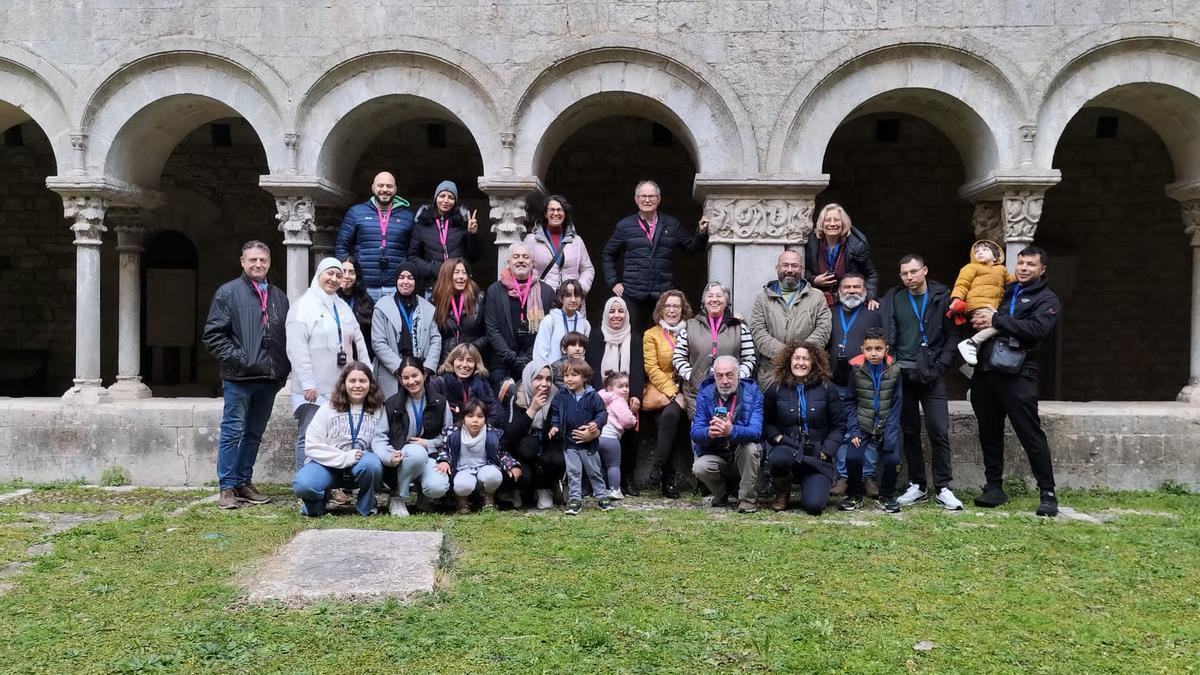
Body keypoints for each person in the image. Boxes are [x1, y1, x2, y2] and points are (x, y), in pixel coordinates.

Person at [969, 247, 1062, 517]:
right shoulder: (1007, 291)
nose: (1023, 268)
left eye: (1030, 264)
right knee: (989, 432)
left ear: (1042, 269)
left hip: (1018, 374)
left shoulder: (1047, 298)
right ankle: (994, 487)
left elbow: (1037, 330)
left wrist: (997, 319)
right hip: (986, 371)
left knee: (1030, 433)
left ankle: (1047, 493)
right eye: (1020, 262)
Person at [202, 241, 290, 510]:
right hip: (239, 377)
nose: (257, 264)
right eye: (252, 260)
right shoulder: (228, 293)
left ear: (269, 262)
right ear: (242, 262)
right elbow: (213, 335)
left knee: (254, 433)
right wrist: (241, 358)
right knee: (232, 432)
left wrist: (281, 367)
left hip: (269, 377)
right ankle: (227, 486)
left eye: (262, 260)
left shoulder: (278, 296)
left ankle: (243, 481)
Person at [879, 254, 963, 511]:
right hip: (902, 374)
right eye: (904, 273)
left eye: (913, 272)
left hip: (931, 374)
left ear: (925, 270)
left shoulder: (942, 297)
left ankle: (944, 487)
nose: (909, 277)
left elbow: (953, 336)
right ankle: (917, 484)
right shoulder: (893, 298)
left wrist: (940, 367)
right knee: (911, 430)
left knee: (938, 430)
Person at [285, 257, 370, 470]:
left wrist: (367, 373)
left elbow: (359, 341)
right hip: (313, 388)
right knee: (310, 436)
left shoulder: (341, 306)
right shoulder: (303, 306)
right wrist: (307, 383)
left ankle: (333, 487)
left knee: (336, 437)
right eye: (329, 273)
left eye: (338, 275)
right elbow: (296, 348)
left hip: (339, 386)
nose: (334, 279)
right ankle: (306, 484)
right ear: (319, 275)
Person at [602, 180, 710, 331]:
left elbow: (691, 248)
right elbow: (608, 254)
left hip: (662, 294)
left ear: (659, 199)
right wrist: (613, 282)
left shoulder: (671, 224)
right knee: (634, 338)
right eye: (643, 196)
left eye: (651, 196)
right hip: (633, 293)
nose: (647, 200)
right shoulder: (624, 226)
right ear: (636, 199)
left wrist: (701, 232)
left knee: (663, 338)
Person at [291, 362, 387, 517]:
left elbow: (382, 441)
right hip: (328, 464)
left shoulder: (378, 409)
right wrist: (344, 457)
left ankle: (367, 505)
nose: (357, 385)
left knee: (372, 464)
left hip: (361, 463)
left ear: (371, 384)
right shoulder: (328, 408)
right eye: (352, 381)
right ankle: (318, 502)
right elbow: (311, 446)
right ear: (343, 383)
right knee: (303, 484)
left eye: (363, 381)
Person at [763, 342, 844, 515]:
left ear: (814, 362)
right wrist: (776, 437)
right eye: (797, 358)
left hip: (817, 454)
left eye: (806, 359)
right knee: (778, 459)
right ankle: (782, 492)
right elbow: (766, 422)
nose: (801, 363)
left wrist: (826, 451)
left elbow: (839, 426)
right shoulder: (775, 388)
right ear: (788, 361)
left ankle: (811, 485)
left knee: (814, 507)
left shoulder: (828, 388)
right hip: (787, 447)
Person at [827, 273, 883, 497]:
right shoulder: (830, 313)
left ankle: (867, 476)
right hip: (837, 381)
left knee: (869, 429)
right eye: (847, 287)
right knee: (841, 429)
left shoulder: (875, 311)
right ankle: (843, 476)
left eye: (857, 287)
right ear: (839, 291)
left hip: (867, 381)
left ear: (865, 290)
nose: (852, 291)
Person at [690, 355, 764, 513]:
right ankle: (722, 494)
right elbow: (695, 432)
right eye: (719, 376)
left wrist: (731, 431)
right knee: (700, 467)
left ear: (738, 374)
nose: (724, 381)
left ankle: (747, 500)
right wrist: (709, 433)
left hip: (741, 455)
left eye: (729, 375)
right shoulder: (705, 393)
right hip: (717, 454)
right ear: (714, 376)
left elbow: (756, 432)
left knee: (751, 448)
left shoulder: (753, 392)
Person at [587, 296, 645, 495]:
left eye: (621, 311)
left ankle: (627, 479)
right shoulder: (596, 336)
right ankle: (598, 480)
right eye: (612, 311)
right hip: (602, 396)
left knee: (632, 431)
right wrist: (600, 397)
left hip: (627, 394)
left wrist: (635, 394)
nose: (616, 315)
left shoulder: (635, 337)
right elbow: (592, 368)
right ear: (605, 314)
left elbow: (638, 367)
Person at [842, 327, 904, 513]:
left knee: (893, 460)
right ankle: (854, 494)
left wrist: (891, 433)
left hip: (886, 425)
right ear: (862, 349)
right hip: (862, 424)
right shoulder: (856, 371)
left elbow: (897, 404)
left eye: (878, 348)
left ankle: (887, 496)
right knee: (853, 457)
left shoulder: (895, 371)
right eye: (869, 349)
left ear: (886, 349)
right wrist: (853, 429)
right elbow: (850, 401)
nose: (874, 353)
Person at [382, 356, 453, 516]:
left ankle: (424, 497)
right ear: (400, 380)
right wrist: (388, 455)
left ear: (424, 375)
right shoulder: (391, 404)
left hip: (431, 454)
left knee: (437, 487)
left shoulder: (440, 402)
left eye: (415, 376)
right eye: (405, 378)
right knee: (416, 454)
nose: (411, 381)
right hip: (402, 456)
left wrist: (428, 443)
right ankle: (397, 496)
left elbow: (448, 436)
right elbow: (381, 436)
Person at [750, 250, 832, 387]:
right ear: (777, 268)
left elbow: (824, 329)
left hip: (808, 371)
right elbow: (758, 330)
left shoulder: (817, 297)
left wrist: (801, 354)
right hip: (772, 374)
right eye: (785, 265)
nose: (789, 270)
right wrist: (787, 353)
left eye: (794, 266)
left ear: (802, 269)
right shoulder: (763, 298)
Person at [672, 282, 755, 416]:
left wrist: (738, 376)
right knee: (701, 434)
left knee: (728, 432)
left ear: (727, 301)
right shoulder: (689, 326)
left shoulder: (740, 328)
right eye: (710, 296)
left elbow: (749, 358)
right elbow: (678, 356)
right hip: (697, 393)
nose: (714, 299)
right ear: (704, 301)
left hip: (731, 393)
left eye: (719, 296)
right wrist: (690, 375)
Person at [484, 243, 556, 391]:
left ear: (532, 262)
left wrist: (528, 358)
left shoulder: (546, 292)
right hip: (502, 362)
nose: (521, 260)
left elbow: (548, 330)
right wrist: (512, 358)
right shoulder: (494, 291)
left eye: (525, 257)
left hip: (535, 361)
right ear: (508, 262)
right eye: (516, 257)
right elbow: (492, 329)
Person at [642, 289, 693, 498]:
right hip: (662, 389)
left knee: (668, 419)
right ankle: (667, 476)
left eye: (676, 306)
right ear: (661, 310)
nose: (672, 310)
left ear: (683, 310)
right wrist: (674, 393)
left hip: (687, 387)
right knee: (669, 417)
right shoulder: (651, 335)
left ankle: (659, 468)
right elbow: (652, 369)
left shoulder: (691, 331)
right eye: (668, 306)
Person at [335, 171, 415, 300]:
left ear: (395, 189)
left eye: (389, 186)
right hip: (364, 286)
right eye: (380, 185)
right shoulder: (356, 212)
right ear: (373, 188)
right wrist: (348, 274)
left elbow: (413, 251)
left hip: (395, 286)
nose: (385, 189)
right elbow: (341, 246)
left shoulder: (407, 216)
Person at [547, 358, 612, 515]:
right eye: (566, 375)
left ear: (584, 377)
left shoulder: (592, 395)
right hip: (569, 443)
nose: (569, 379)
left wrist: (596, 424)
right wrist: (555, 426)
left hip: (588, 444)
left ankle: (602, 496)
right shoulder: (561, 395)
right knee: (573, 472)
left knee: (594, 471)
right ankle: (575, 500)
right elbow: (555, 412)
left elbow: (602, 413)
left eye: (574, 375)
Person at [435, 398, 520, 514]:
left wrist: (512, 465)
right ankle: (461, 500)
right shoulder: (453, 434)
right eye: (470, 416)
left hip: (485, 466)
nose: (475, 420)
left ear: (485, 418)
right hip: (463, 469)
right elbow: (445, 450)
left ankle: (488, 495)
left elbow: (501, 453)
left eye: (480, 416)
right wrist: (444, 461)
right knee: (462, 485)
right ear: (463, 417)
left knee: (494, 476)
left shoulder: (492, 435)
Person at [372, 261, 442, 399]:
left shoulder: (427, 308)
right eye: (401, 277)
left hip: (420, 373)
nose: (405, 282)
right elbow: (378, 343)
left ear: (416, 281)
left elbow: (435, 339)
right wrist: (402, 369)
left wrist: (426, 368)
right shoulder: (382, 307)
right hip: (392, 373)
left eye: (410, 278)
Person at [503, 360, 566, 510]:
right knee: (528, 448)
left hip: (547, 444)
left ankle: (545, 487)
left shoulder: (556, 395)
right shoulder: (517, 396)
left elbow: (559, 430)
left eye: (548, 379)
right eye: (538, 378)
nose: (544, 384)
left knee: (556, 458)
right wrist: (532, 410)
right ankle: (519, 490)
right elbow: (509, 434)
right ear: (528, 378)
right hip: (521, 448)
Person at [948, 240, 1014, 366]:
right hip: (978, 304)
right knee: (1000, 325)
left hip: (993, 306)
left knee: (986, 334)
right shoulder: (971, 268)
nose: (980, 253)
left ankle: (971, 367)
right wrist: (956, 299)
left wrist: (1020, 274)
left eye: (985, 250)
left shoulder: (1001, 269)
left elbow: (1009, 281)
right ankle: (970, 343)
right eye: (977, 251)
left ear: (996, 255)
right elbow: (962, 284)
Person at [408, 180, 481, 290]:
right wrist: (433, 269)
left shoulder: (462, 223)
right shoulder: (422, 224)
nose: (446, 201)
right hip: (433, 283)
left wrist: (472, 234)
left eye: (451, 197)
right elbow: (413, 256)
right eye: (442, 196)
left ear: (455, 201)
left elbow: (474, 257)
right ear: (435, 198)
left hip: (459, 282)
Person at [805, 203, 879, 308]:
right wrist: (814, 280)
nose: (832, 224)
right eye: (828, 220)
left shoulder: (856, 245)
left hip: (848, 302)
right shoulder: (811, 243)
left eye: (836, 220)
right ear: (821, 223)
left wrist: (870, 297)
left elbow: (871, 275)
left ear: (843, 223)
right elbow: (803, 270)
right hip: (817, 302)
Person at [523, 194, 595, 299]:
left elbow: (587, 269)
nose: (556, 213)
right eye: (552, 210)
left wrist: (580, 289)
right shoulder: (531, 240)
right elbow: (522, 267)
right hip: (543, 298)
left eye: (559, 210)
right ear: (545, 214)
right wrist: (532, 290)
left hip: (572, 300)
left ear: (565, 214)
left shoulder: (577, 241)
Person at [431, 343, 503, 427]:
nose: (464, 365)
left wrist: (480, 429)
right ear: (452, 362)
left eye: (470, 360)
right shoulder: (440, 383)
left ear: (476, 364)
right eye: (460, 359)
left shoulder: (482, 383)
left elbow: (495, 414)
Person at [431, 257, 488, 357]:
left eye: (464, 272)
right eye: (456, 272)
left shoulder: (479, 298)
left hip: (472, 359)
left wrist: (471, 349)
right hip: (446, 361)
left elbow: (489, 333)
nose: (461, 276)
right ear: (446, 276)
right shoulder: (435, 302)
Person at [597, 371, 638, 500]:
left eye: (627, 386)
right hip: (611, 439)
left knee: (602, 466)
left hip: (597, 437)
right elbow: (627, 421)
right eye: (620, 386)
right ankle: (615, 490)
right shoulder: (618, 401)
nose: (625, 389)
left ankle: (601, 490)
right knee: (614, 465)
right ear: (610, 389)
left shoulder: (600, 399)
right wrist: (633, 417)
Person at [532, 279, 590, 365]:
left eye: (577, 295)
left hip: (574, 374)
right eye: (568, 295)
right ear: (561, 298)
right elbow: (540, 354)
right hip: (553, 373)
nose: (573, 300)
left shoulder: (585, 324)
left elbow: (582, 354)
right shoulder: (550, 320)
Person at [336, 255, 376, 362]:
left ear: (357, 276)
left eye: (351, 272)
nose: (347, 276)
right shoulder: (330, 298)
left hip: (359, 357)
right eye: (343, 271)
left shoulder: (366, 301)